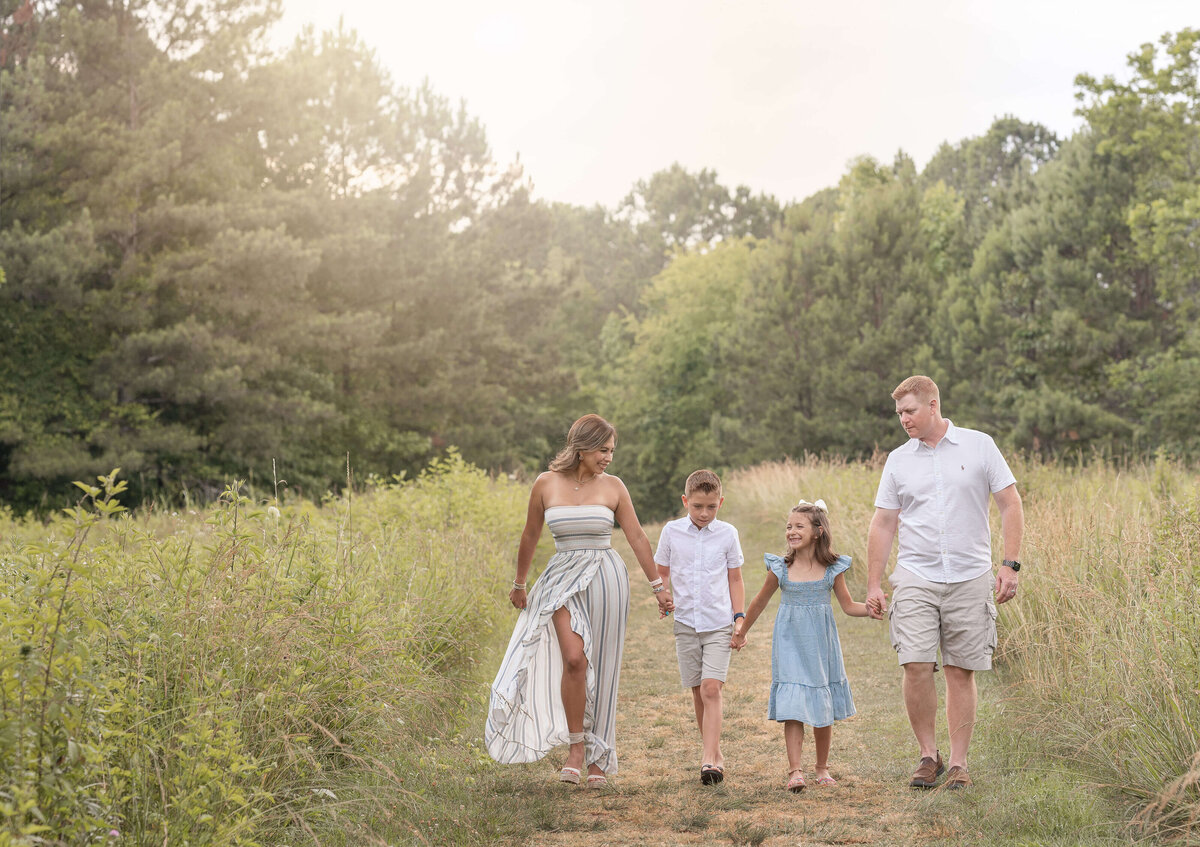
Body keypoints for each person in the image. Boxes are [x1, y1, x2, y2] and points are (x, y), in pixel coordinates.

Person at [485, 414, 674, 789]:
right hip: (560, 578)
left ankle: (598, 759)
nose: (609, 457)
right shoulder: (545, 484)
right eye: (603, 450)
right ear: (582, 447)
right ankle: (575, 747)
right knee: (574, 659)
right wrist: (519, 583)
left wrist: (658, 585)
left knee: (602, 666)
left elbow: (636, 537)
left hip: (605, 576)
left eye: (612, 450)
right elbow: (530, 534)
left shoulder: (614, 487)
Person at [865, 375, 1024, 790]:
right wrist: (874, 583)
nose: (904, 420)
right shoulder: (899, 460)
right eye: (899, 413)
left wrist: (1010, 564)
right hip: (917, 575)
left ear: (933, 405)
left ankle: (958, 764)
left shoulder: (979, 445)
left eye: (910, 411)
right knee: (915, 664)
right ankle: (926, 755)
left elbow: (1010, 503)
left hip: (971, 575)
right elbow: (883, 523)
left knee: (959, 671)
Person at [732, 499, 868, 792]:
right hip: (790, 642)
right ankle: (795, 771)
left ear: (818, 532)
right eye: (789, 527)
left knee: (820, 701)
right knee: (793, 705)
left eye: (799, 527)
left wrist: (872, 609)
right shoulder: (781, 567)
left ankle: (822, 768)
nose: (791, 532)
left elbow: (848, 606)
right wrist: (742, 630)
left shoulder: (832, 568)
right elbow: (759, 601)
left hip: (821, 644)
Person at [654, 469, 745, 786]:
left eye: (711, 507)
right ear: (685, 501)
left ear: (720, 502)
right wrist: (662, 594)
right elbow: (662, 573)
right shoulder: (671, 532)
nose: (704, 513)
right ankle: (714, 753)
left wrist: (739, 617)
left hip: (719, 622)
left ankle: (708, 761)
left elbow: (735, 578)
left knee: (711, 688)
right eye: (697, 507)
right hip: (686, 623)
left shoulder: (727, 534)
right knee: (697, 690)